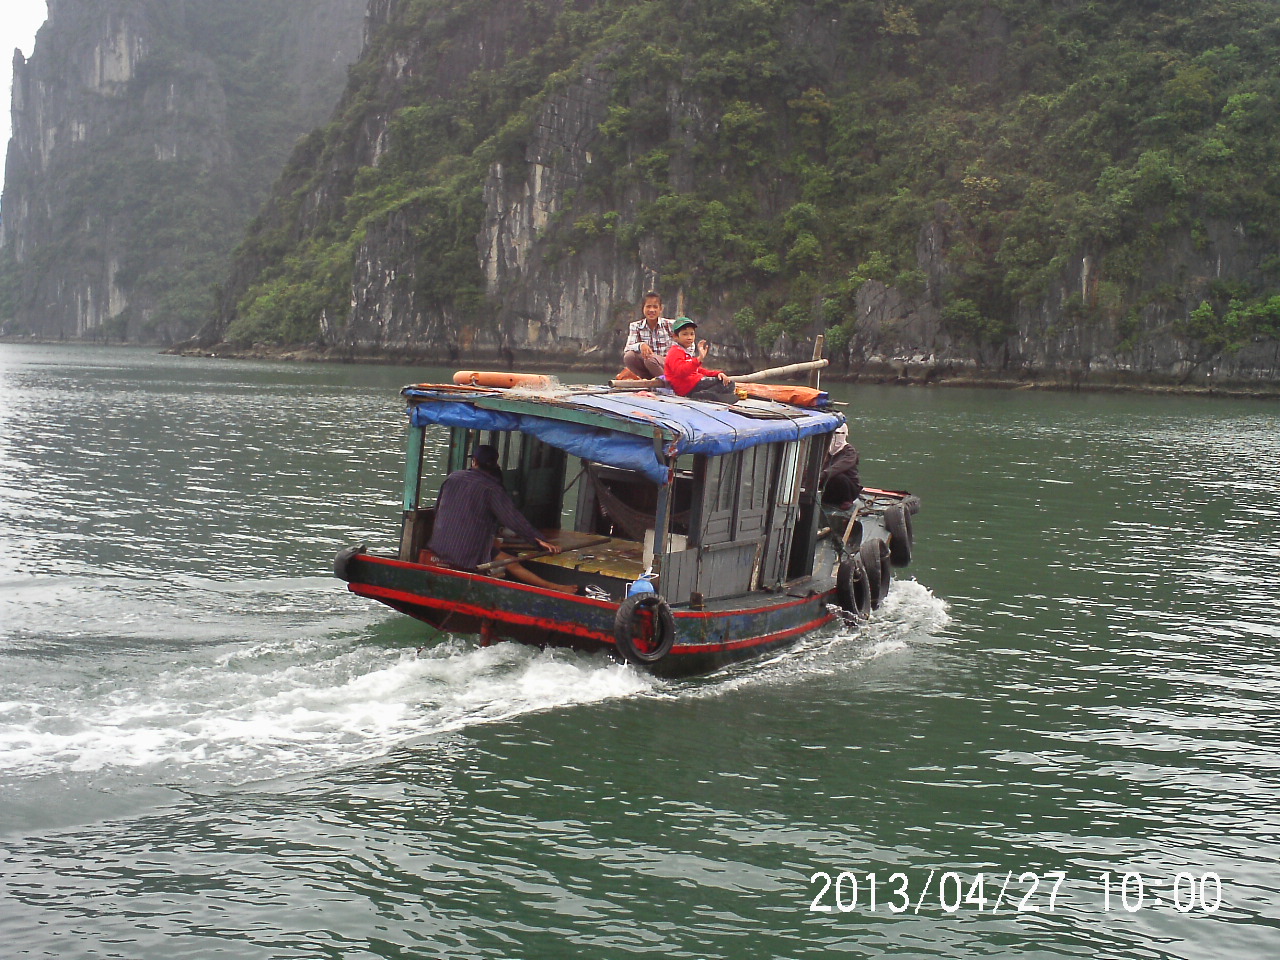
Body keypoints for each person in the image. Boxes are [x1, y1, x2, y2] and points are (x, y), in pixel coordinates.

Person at [426, 445, 578, 593]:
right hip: (465, 551)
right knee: (512, 563)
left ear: (474, 461)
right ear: (494, 464)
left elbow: (437, 509)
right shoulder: (492, 488)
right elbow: (512, 518)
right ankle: (555, 588)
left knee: (494, 548)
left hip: (438, 544)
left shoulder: (453, 477)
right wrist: (537, 539)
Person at [663, 317, 738, 401]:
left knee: (728, 383)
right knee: (728, 385)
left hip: (694, 384)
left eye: (692, 334)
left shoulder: (684, 351)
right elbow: (680, 372)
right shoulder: (675, 352)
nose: (689, 337)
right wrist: (698, 360)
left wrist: (717, 374)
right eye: (685, 334)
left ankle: (704, 395)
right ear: (675, 336)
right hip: (687, 387)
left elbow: (698, 370)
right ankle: (704, 396)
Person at [622, 291, 675, 379]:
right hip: (648, 364)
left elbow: (687, 341)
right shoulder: (636, 326)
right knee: (629, 356)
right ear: (643, 308)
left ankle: (667, 381)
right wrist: (641, 345)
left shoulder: (670, 325)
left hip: (667, 364)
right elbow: (628, 348)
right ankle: (648, 379)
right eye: (648, 306)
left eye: (655, 307)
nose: (651, 310)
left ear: (661, 309)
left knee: (650, 359)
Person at [821, 424, 862, 510]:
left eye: (841, 433)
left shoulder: (850, 451)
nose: (837, 436)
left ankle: (847, 500)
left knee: (838, 476)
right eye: (835, 433)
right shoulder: (825, 450)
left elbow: (840, 466)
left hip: (848, 489)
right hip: (829, 487)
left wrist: (824, 474)